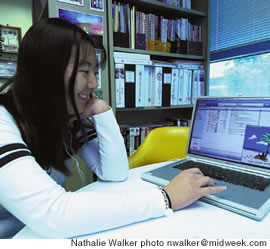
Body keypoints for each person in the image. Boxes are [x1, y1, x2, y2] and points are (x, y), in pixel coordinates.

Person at [0, 18, 226, 239]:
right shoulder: (3, 121)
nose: (94, 84)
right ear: (45, 72)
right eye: (84, 72)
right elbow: (53, 214)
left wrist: (103, 112)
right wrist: (166, 198)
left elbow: (115, 173)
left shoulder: (65, 118)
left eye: (95, 73)